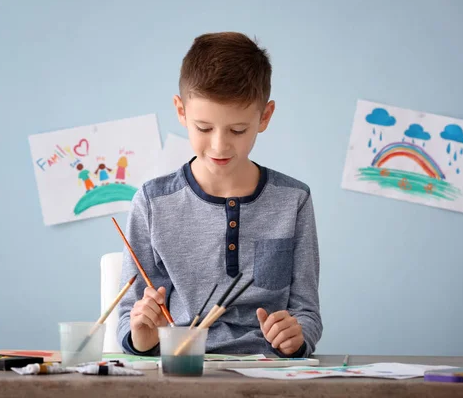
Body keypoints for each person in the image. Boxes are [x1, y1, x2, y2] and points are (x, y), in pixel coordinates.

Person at [117, 32, 322, 358]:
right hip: (182, 366)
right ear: (181, 111)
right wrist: (142, 335)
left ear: (265, 117)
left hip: (268, 372)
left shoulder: (293, 200)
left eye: (238, 130)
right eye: (204, 128)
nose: (219, 145)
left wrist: (296, 337)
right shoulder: (152, 202)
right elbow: (131, 316)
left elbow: (306, 312)